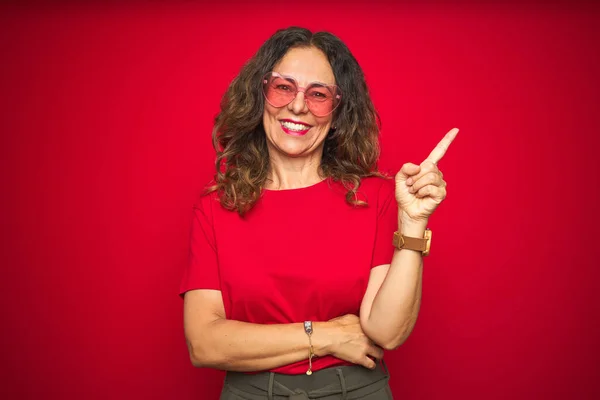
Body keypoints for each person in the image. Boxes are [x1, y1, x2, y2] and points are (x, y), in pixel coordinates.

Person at [179, 26, 457, 399]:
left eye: (318, 94)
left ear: (338, 110)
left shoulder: (375, 197)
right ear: (260, 94)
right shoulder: (216, 207)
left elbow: (387, 331)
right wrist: (327, 335)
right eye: (283, 87)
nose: (298, 106)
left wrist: (413, 224)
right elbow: (205, 344)